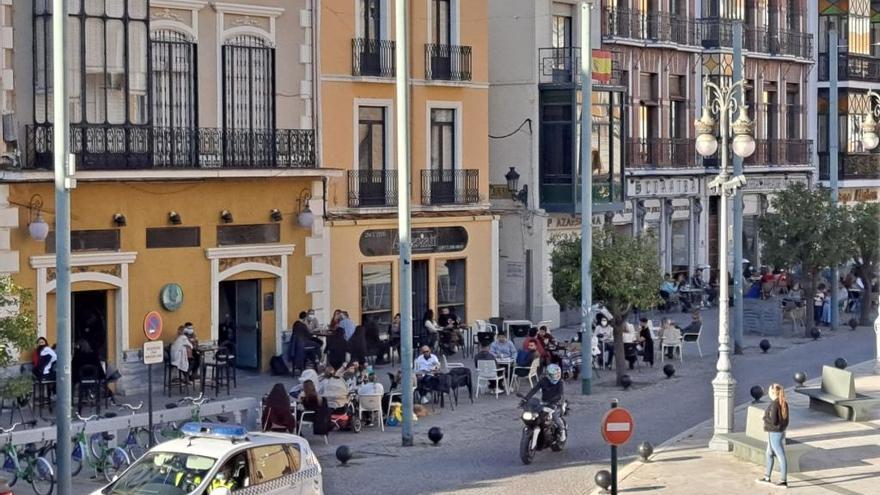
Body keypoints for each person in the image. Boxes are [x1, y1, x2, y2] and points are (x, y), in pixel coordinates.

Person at [521, 364, 566, 442]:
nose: (556, 376)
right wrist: (526, 399)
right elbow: (534, 390)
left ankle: (562, 431)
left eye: (557, 374)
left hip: (556, 403)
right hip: (544, 403)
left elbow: (560, 394)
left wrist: (554, 402)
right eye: (554, 375)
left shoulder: (560, 382)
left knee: (555, 416)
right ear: (548, 374)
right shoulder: (543, 380)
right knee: (536, 415)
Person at [758, 383, 789, 488]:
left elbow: (774, 421)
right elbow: (785, 420)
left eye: (769, 391)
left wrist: (764, 417)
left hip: (774, 432)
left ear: (772, 393)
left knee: (780, 454)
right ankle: (767, 477)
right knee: (769, 453)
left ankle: (783, 480)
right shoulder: (783, 402)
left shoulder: (775, 404)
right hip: (780, 432)